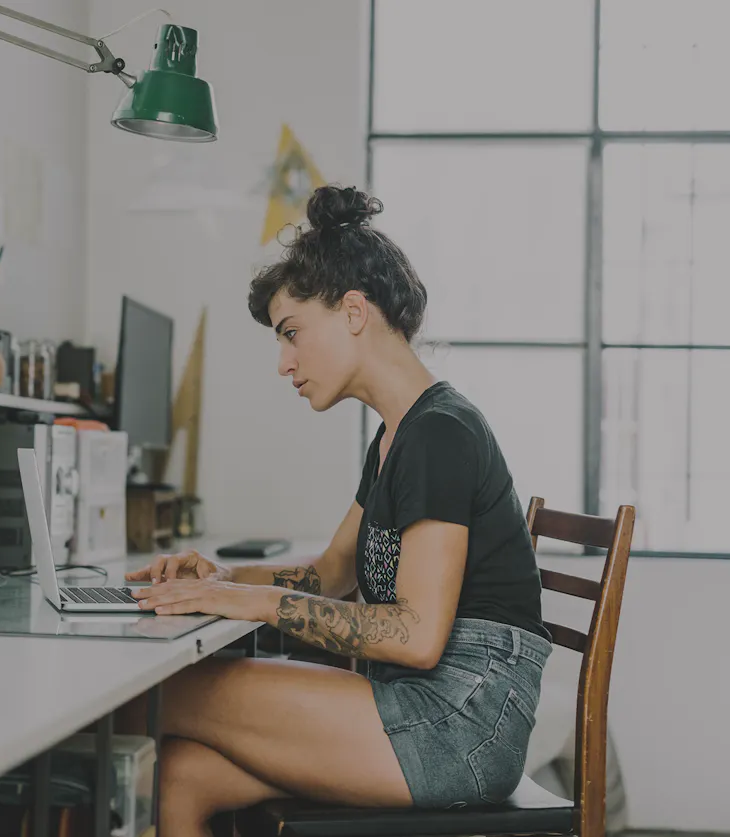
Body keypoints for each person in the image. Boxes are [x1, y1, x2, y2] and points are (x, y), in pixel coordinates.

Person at [123, 185, 552, 835]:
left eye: (291, 333)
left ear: (354, 311)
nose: (283, 362)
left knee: (158, 694)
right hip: (421, 706)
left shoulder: (441, 433)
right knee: (181, 772)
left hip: (457, 725)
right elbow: (331, 573)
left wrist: (253, 603)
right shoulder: (395, 436)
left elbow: (415, 633)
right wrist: (220, 582)